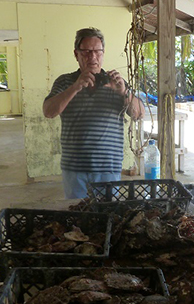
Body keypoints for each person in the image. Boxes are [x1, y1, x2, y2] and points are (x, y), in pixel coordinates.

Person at [43, 27, 145, 199]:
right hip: (74, 168)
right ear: (76, 54)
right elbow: (48, 112)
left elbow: (139, 114)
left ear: (103, 53)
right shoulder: (65, 81)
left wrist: (123, 92)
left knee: (107, 216)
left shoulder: (117, 82)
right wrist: (75, 87)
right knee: (78, 217)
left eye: (97, 51)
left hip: (108, 167)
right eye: (87, 52)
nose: (93, 57)